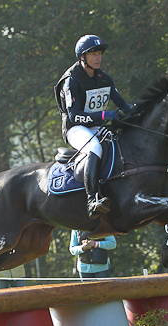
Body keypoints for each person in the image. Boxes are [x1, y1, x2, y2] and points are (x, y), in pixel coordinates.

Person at [55, 34, 133, 219]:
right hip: (76, 129)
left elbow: (124, 105)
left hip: (95, 127)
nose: (98, 58)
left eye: (99, 54)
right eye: (93, 54)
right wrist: (104, 115)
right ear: (82, 57)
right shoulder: (71, 81)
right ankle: (92, 199)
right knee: (95, 147)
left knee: (119, 142)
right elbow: (74, 116)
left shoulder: (104, 78)